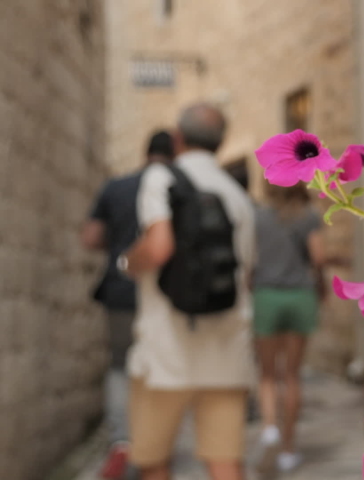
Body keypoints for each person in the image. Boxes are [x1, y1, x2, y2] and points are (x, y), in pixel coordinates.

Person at [119, 103, 256, 480]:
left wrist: (127, 263)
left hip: (165, 347)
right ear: (221, 142)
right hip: (226, 346)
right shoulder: (237, 194)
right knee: (225, 462)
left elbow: (159, 246)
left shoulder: (162, 178)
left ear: (178, 138)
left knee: (154, 460)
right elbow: (247, 275)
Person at [80, 130, 174, 480]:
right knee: (159, 365)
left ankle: (122, 440)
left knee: (120, 364)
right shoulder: (177, 186)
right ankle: (157, 443)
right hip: (163, 295)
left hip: (120, 292)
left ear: (145, 151)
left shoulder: (115, 187)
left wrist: (119, 248)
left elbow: (90, 237)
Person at [253, 181, 326, 472]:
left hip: (267, 294)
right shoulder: (308, 215)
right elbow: (318, 257)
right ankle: (287, 449)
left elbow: (249, 258)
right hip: (300, 295)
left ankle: (270, 428)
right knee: (292, 375)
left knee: (268, 374)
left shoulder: (259, 216)